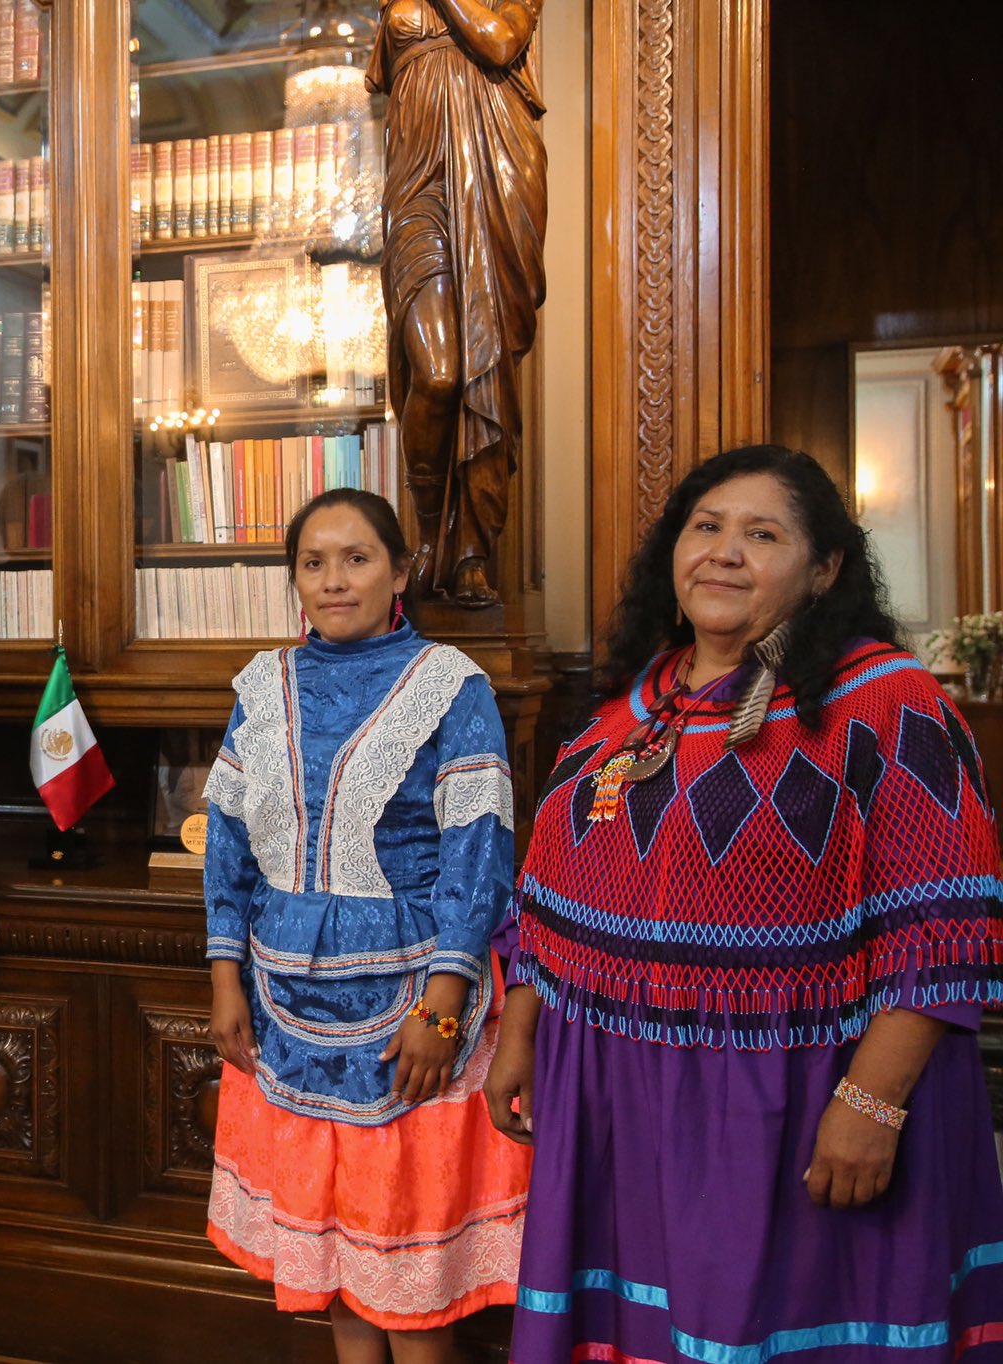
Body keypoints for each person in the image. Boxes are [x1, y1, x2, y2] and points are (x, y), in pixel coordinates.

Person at [486, 445, 1003, 1360]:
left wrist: (871, 1106)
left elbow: (946, 928)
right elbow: (547, 890)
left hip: (795, 1106)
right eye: (706, 527)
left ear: (825, 568)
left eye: (761, 535)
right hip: (621, 1102)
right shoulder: (628, 708)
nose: (724, 552)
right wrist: (519, 1031)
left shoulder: (887, 704)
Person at [203, 488, 531, 1364]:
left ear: (400, 571)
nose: (333, 580)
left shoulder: (450, 684)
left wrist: (445, 1006)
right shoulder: (263, 685)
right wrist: (224, 977)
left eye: (356, 559)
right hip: (281, 1005)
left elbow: (481, 856)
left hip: (412, 1006)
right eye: (313, 562)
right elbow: (228, 846)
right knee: (339, 1276)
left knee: (409, 1287)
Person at [366, 0, 546, 607]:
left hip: (494, 176)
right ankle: (424, 537)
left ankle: (470, 552)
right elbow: (385, 84)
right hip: (416, 184)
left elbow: (498, 44)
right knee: (437, 374)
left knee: (481, 370)